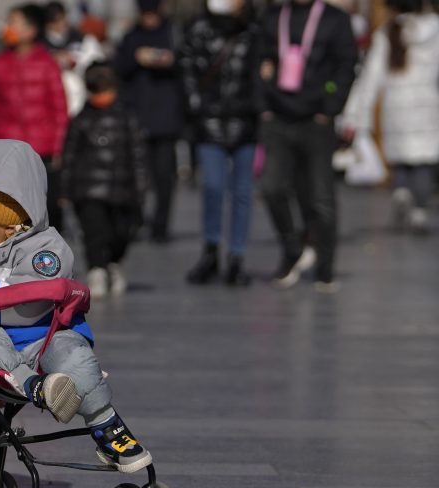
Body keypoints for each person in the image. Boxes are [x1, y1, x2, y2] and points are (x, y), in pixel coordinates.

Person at [0, 139, 152, 474]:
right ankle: (38, 387)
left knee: (75, 356)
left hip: (44, 336)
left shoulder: (46, 250)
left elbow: (28, 298)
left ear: (10, 224)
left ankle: (108, 427)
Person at [257, 0, 356, 291]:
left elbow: (346, 64)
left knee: (320, 197)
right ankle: (293, 248)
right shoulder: (275, 16)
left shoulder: (334, 20)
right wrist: (264, 106)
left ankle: (325, 266)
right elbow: (258, 60)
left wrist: (331, 106)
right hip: (278, 117)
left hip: (316, 119)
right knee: (272, 187)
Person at [180, 0, 260, 285]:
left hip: (245, 118)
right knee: (213, 187)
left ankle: (236, 255)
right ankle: (211, 250)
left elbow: (261, 71)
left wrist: (258, 107)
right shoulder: (199, 28)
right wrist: (197, 106)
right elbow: (186, 66)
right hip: (210, 119)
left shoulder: (254, 30)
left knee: (242, 191)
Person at [342, 0, 439, 234]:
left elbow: (371, 77)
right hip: (427, 104)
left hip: (396, 103)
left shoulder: (389, 32)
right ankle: (418, 210)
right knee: (423, 162)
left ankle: (401, 191)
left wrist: (356, 115)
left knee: (402, 159)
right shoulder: (436, 30)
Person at [0, 3, 68, 231]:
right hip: (6, 150)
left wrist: (59, 147)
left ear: (31, 30)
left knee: (45, 208)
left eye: (14, 23)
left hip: (41, 151)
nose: (8, 28)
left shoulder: (47, 64)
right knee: (10, 210)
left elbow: (59, 109)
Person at [60, 62, 147, 299]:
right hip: (88, 189)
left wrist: (140, 188)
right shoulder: (81, 120)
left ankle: (114, 263)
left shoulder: (127, 117)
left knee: (121, 233)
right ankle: (96, 270)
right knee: (94, 232)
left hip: (122, 188)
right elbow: (69, 156)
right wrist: (65, 190)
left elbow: (138, 155)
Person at [114, 0, 185, 244]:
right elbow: (118, 69)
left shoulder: (174, 33)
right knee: (135, 177)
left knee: (164, 177)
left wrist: (170, 60)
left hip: (166, 118)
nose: (149, 19)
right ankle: (135, 221)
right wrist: (136, 58)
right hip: (138, 117)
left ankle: (161, 226)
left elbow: (187, 66)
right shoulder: (131, 37)